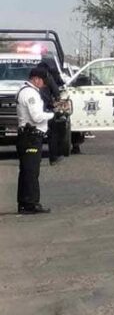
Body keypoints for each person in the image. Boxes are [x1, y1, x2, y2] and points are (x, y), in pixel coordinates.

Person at [16, 68, 55, 214]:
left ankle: (25, 203)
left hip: (28, 136)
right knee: (31, 172)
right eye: (43, 81)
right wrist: (52, 115)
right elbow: (37, 117)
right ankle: (30, 204)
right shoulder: (30, 93)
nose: (43, 85)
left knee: (26, 171)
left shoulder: (25, 90)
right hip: (31, 137)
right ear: (36, 79)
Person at [36, 47, 65, 166]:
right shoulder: (48, 76)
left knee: (35, 135)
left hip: (33, 109)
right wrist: (57, 101)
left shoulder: (32, 76)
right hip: (46, 109)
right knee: (53, 133)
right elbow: (56, 92)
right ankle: (53, 158)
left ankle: (35, 158)